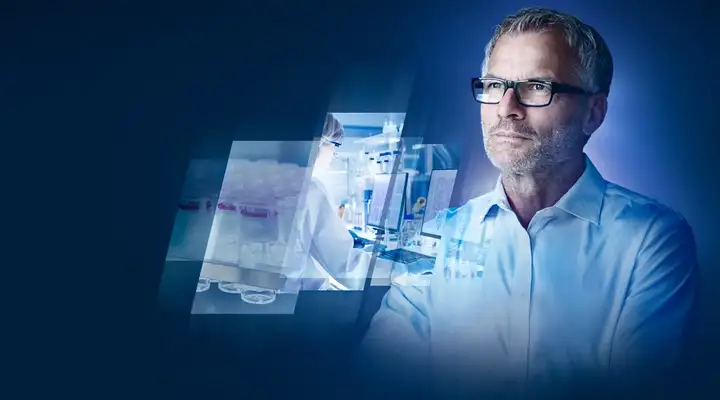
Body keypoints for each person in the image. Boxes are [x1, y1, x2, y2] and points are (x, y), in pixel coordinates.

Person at [356, 7, 698, 397]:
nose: (506, 108)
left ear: (593, 113)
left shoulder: (651, 239)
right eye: (495, 85)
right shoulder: (435, 237)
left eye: (537, 86)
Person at [290, 113, 371, 291]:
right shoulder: (309, 189)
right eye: (335, 145)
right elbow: (345, 265)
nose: (335, 154)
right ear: (318, 142)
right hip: (296, 301)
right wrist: (401, 269)